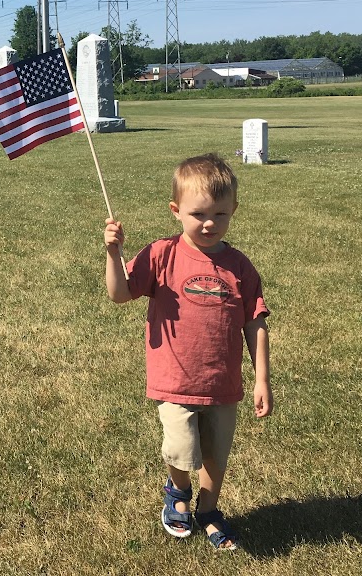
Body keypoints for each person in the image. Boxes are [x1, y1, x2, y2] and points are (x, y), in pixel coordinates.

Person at [104, 153, 271, 552]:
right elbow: (120, 294)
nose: (209, 223)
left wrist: (262, 377)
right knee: (182, 448)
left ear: (234, 211)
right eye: (198, 214)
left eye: (220, 214)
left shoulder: (239, 267)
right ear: (176, 211)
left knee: (216, 455)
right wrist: (113, 254)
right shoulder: (162, 254)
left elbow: (255, 322)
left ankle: (209, 511)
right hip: (174, 379)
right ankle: (177, 492)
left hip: (223, 383)